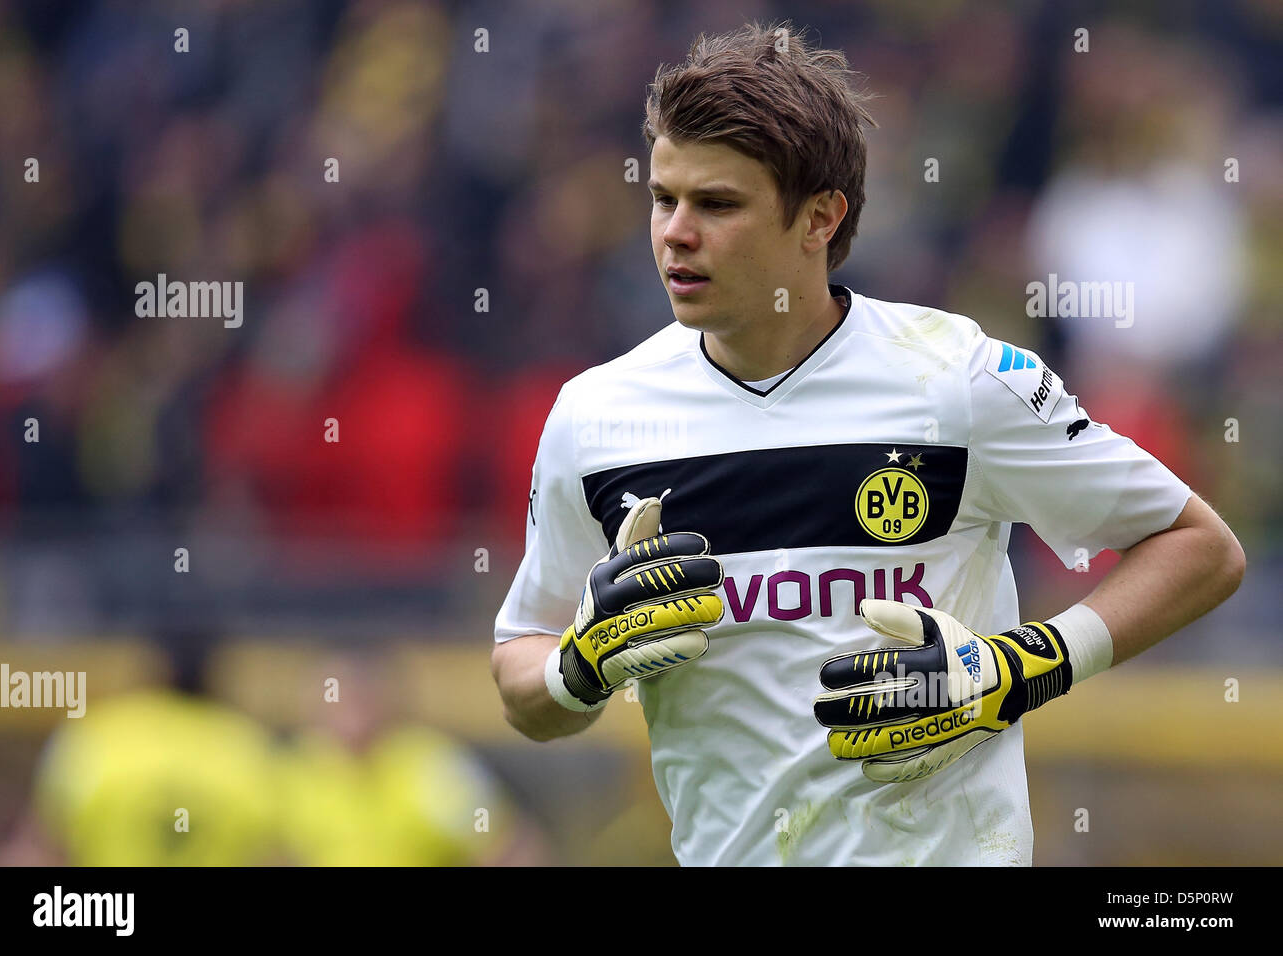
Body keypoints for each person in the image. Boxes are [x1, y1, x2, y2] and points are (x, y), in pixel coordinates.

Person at [490, 21, 1244, 866]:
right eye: (665, 198)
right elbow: (522, 675)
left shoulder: (955, 381)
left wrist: (1025, 666)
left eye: (719, 204)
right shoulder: (596, 419)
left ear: (820, 217)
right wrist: (576, 667)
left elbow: (1201, 547)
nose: (675, 233)